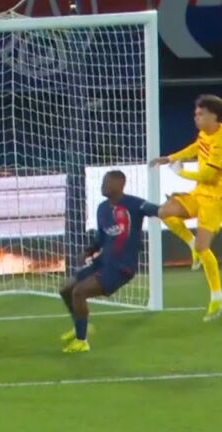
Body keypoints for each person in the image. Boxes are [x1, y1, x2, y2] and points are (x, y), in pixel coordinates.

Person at [59, 171, 158, 352]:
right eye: (103, 182)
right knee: (66, 289)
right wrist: (89, 251)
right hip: (103, 262)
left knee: (79, 292)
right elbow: (102, 239)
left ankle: (82, 341)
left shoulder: (134, 204)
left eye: (107, 182)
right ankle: (82, 325)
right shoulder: (102, 208)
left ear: (120, 185)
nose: (103, 186)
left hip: (122, 267)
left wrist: (176, 206)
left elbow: (157, 210)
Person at [150, 94, 222, 322]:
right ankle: (191, 244)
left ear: (215, 116)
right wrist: (171, 158)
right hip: (198, 194)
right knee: (164, 211)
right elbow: (195, 148)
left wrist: (181, 172)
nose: (196, 118)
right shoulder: (205, 134)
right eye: (195, 114)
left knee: (205, 247)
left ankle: (216, 298)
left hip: (215, 200)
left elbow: (209, 176)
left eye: (201, 114)